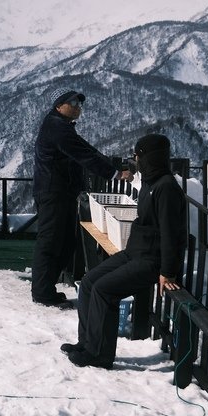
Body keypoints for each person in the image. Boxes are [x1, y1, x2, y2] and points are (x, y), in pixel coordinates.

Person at [63, 133, 187, 369]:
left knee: (104, 289)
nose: (135, 160)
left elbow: (172, 234)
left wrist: (168, 272)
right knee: (89, 281)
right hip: (135, 252)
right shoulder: (151, 182)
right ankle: (87, 342)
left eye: (138, 155)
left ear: (148, 157)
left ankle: (100, 354)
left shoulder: (166, 188)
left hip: (152, 260)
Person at [32, 90, 132, 307]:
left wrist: (114, 166)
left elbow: (86, 148)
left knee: (65, 242)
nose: (78, 107)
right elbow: (83, 155)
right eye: (73, 103)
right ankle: (41, 293)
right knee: (51, 242)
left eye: (79, 103)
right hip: (53, 192)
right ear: (59, 106)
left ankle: (46, 289)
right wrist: (115, 174)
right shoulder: (57, 128)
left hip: (60, 192)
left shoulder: (61, 126)